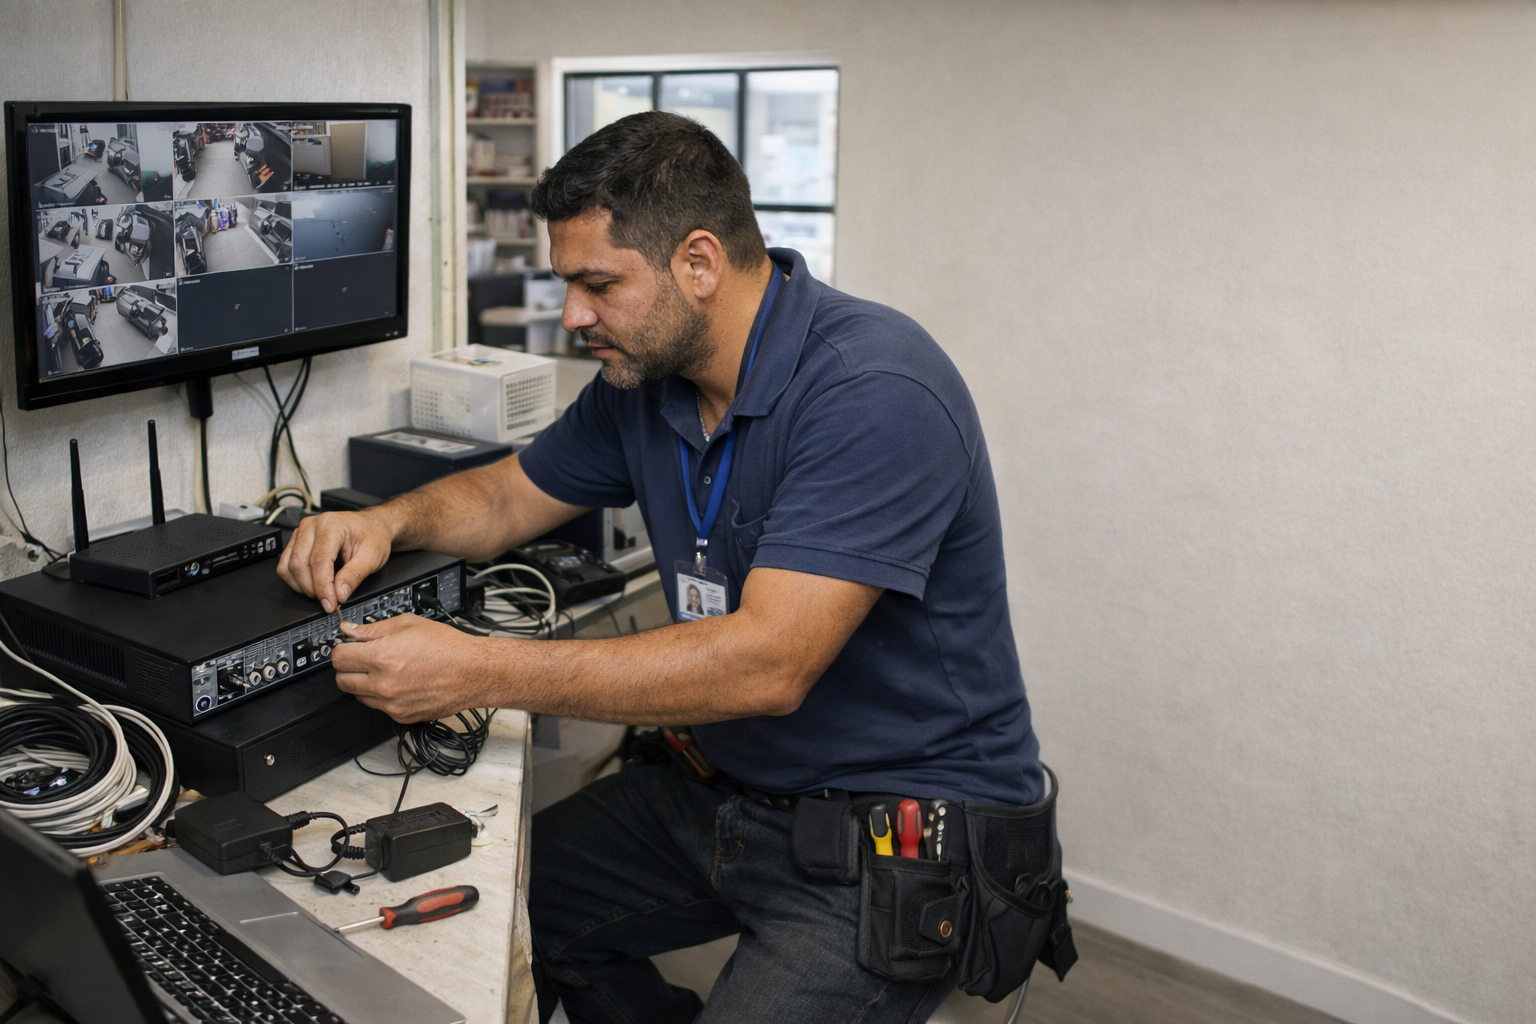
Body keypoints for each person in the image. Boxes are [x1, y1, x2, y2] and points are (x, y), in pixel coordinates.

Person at [277, 111, 1044, 1024]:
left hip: (895, 832)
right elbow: (509, 498)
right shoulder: (641, 384)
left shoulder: (875, 390)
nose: (572, 316)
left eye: (597, 283)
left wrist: (474, 669)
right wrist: (388, 520)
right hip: (725, 794)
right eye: (568, 284)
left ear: (698, 263)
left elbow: (768, 666)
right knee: (518, 897)